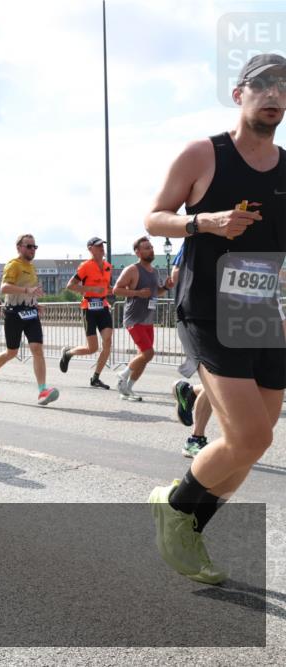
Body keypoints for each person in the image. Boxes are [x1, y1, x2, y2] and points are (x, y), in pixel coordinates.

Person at [144, 52, 285, 585]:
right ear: (239, 94)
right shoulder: (204, 153)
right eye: (262, 85)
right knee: (251, 436)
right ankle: (175, 505)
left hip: (262, 312)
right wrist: (205, 222)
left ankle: (190, 526)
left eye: (283, 88)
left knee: (252, 441)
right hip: (207, 308)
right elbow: (155, 216)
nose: (273, 95)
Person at [0, 234, 59, 406]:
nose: (32, 250)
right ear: (19, 247)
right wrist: (26, 290)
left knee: (37, 349)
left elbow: (31, 291)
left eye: (34, 247)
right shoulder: (14, 265)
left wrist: (35, 303)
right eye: (29, 246)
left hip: (30, 312)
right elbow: (4, 288)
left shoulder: (32, 267)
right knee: (12, 352)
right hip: (14, 313)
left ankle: (42, 391)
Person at [113, 237, 174, 401]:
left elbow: (155, 293)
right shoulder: (132, 269)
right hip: (134, 319)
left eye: (151, 247)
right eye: (146, 248)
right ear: (138, 252)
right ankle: (122, 375)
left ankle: (127, 388)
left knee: (144, 357)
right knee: (148, 353)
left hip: (148, 319)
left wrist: (166, 287)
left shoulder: (154, 271)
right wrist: (138, 293)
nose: (151, 250)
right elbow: (116, 290)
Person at [168, 247, 214, 457]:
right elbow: (176, 275)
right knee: (218, 380)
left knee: (247, 381)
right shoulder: (199, 235)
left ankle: (189, 391)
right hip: (206, 316)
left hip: (244, 316)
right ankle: (195, 439)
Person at [60, 238, 114, 389]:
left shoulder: (108, 267)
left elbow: (107, 287)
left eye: (102, 245)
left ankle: (96, 377)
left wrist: (113, 289)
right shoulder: (85, 266)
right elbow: (70, 285)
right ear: (90, 249)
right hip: (89, 307)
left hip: (103, 306)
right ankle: (68, 353)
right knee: (92, 348)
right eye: (98, 246)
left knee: (108, 341)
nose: (102, 248)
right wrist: (90, 289)